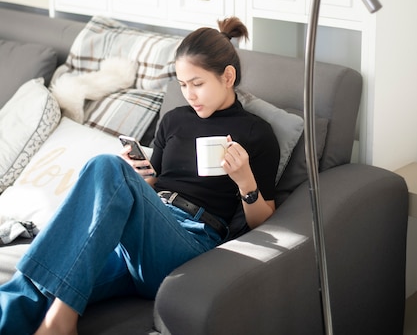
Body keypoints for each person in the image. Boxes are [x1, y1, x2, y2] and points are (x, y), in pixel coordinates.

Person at [0, 17, 280, 335]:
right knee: (40, 279)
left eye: (198, 83)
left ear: (227, 76)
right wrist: (137, 178)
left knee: (106, 166)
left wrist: (245, 181)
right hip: (140, 232)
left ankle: (63, 320)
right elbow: (154, 184)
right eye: (183, 84)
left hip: (191, 241)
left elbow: (263, 221)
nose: (190, 94)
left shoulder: (257, 133)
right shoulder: (174, 121)